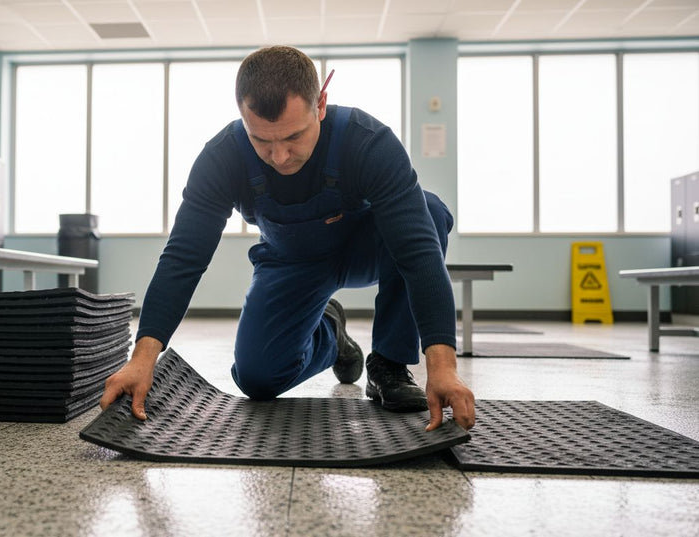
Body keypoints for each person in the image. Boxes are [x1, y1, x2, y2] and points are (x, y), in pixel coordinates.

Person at [100, 45, 475, 431]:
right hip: (292, 260)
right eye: (261, 140)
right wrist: (142, 359)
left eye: (294, 137)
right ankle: (331, 336)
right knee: (257, 379)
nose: (279, 157)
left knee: (430, 212)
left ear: (321, 105)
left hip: (368, 250)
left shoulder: (368, 142)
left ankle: (390, 364)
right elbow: (183, 257)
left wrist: (442, 366)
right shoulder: (222, 158)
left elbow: (417, 251)